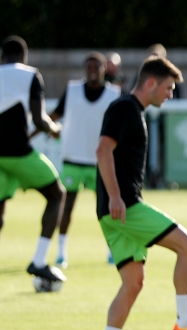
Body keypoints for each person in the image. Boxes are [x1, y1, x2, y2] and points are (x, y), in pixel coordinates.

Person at [94, 57, 187, 330]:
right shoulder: (125, 108)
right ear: (151, 83)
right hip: (125, 207)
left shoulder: (132, 110)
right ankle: (185, 324)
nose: (170, 95)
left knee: (133, 282)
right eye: (168, 88)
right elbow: (102, 150)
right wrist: (115, 197)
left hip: (114, 212)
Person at [0, 35, 66, 284]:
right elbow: (39, 120)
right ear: (24, 57)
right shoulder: (30, 75)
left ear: (2, 57)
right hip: (18, 153)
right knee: (56, 195)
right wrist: (54, 129)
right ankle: (39, 261)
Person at [49, 52, 121, 268]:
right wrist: (42, 128)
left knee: (106, 208)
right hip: (73, 157)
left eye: (96, 67)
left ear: (104, 69)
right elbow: (55, 115)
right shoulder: (72, 90)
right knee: (67, 206)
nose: (92, 71)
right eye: (88, 67)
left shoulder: (114, 93)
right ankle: (61, 252)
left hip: (101, 161)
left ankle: (112, 250)